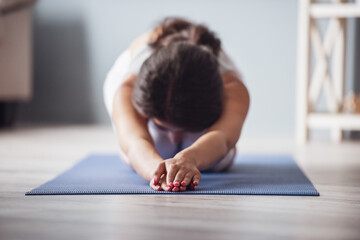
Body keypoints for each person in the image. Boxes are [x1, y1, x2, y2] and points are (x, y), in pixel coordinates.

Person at [103, 17, 250, 192]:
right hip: (133, 80)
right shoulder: (127, 87)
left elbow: (224, 138)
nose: (175, 138)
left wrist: (190, 158)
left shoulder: (232, 88)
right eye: (164, 127)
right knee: (155, 149)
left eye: (184, 129)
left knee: (219, 161)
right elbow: (134, 142)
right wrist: (157, 172)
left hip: (208, 90)